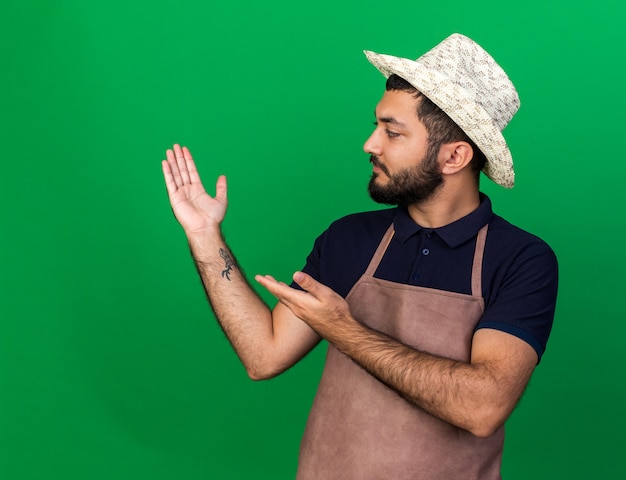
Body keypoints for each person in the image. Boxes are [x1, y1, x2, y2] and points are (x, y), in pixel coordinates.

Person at [161, 33, 558, 480]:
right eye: (376, 126)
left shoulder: (522, 259)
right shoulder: (349, 238)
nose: (371, 144)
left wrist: (343, 330)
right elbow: (263, 355)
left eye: (392, 132)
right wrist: (203, 234)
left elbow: (482, 407)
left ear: (454, 157)